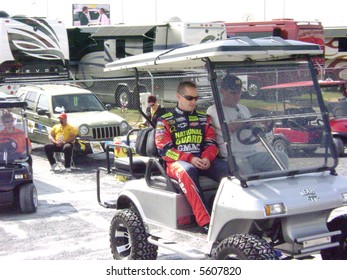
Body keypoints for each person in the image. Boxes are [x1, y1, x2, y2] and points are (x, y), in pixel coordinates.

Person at [155, 81, 229, 232]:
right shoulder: (165, 120)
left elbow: (212, 143)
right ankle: (206, 222)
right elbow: (164, 150)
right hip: (177, 162)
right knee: (187, 171)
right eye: (189, 98)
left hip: (203, 160)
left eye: (196, 98)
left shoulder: (204, 118)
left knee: (230, 170)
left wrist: (207, 158)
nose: (194, 102)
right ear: (178, 96)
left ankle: (231, 214)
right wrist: (190, 158)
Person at [207, 75, 288, 175]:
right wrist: (252, 121)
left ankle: (279, 186)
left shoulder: (244, 109)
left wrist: (264, 125)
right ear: (222, 91)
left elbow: (252, 126)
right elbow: (230, 127)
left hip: (252, 153)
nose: (236, 96)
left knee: (282, 157)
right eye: (232, 93)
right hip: (233, 156)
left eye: (239, 92)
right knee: (244, 167)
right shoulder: (215, 110)